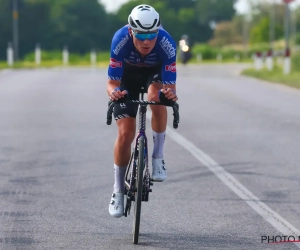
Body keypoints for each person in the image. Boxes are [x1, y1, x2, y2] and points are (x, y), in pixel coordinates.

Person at [107, 4, 178, 218]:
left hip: (153, 75)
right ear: (131, 31)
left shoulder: (167, 44)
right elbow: (112, 82)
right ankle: (118, 191)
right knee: (126, 133)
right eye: (140, 34)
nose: (146, 40)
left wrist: (170, 96)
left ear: (158, 31)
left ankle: (157, 158)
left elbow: (170, 87)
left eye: (151, 34)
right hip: (127, 76)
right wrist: (114, 93)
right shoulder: (120, 40)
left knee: (157, 98)